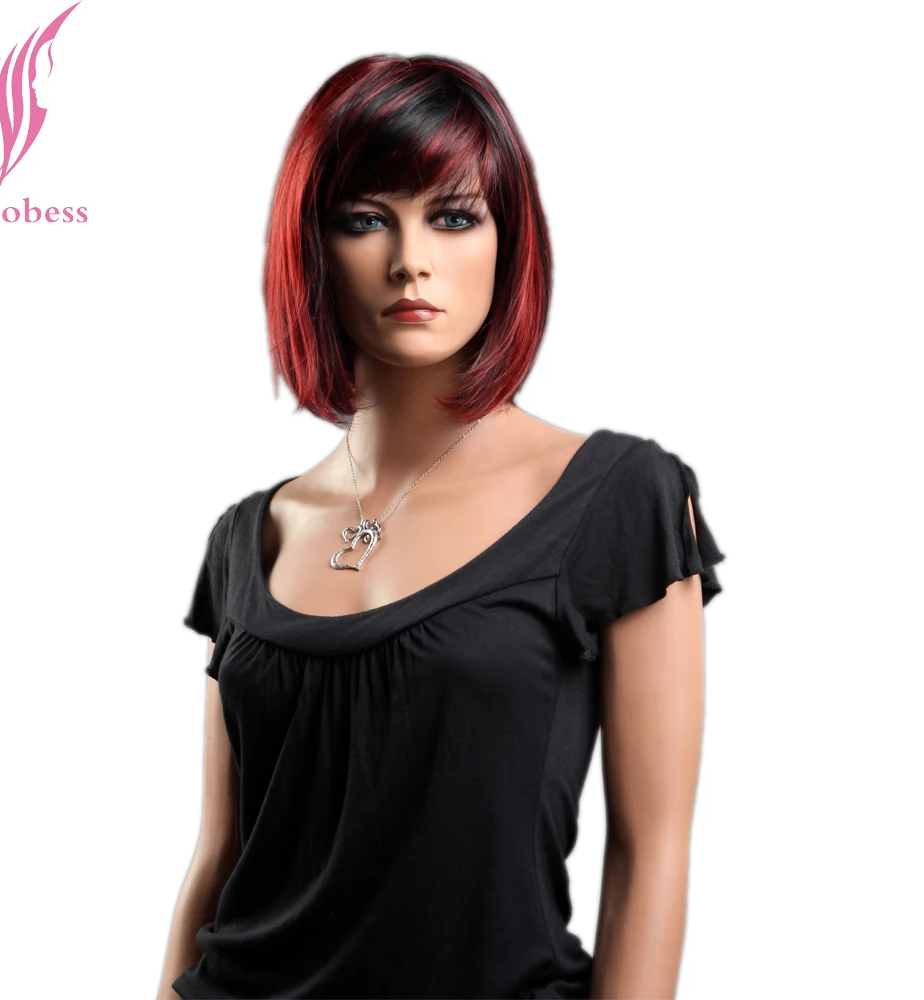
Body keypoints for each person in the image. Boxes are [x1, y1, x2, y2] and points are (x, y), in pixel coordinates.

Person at [158, 53, 726, 1000]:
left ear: (509, 240)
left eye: (453, 217)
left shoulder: (620, 500)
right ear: (311, 246)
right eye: (364, 218)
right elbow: (218, 853)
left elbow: (651, 853)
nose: (408, 259)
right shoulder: (249, 537)